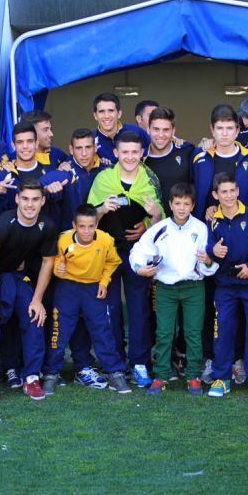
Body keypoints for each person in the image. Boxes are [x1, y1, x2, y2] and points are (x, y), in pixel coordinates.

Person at [87, 131, 163, 388]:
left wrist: (150, 219)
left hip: (137, 253)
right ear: (116, 153)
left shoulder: (148, 181)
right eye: (125, 151)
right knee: (110, 309)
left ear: (142, 153)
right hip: (107, 253)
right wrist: (101, 209)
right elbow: (88, 220)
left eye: (135, 152)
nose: (130, 156)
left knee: (139, 308)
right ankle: (114, 363)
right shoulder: (103, 179)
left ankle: (140, 362)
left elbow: (161, 225)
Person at [130, 183, 217, 395]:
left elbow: (211, 262)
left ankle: (193, 375)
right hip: (165, 288)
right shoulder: (159, 228)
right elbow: (139, 251)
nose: (181, 208)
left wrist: (208, 262)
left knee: (193, 333)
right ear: (169, 204)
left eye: (186, 204)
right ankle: (160, 376)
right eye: (177, 203)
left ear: (193, 205)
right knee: (164, 333)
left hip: (193, 287)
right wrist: (139, 268)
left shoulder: (201, 228)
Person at [0, 180, 58, 402]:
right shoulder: (2, 224)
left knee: (35, 316)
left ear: (42, 201)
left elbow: (48, 263)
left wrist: (38, 300)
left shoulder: (47, 225)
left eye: (35, 199)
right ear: (17, 199)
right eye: (25, 199)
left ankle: (31, 377)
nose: (30, 205)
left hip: (16, 276)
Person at [42, 204, 129, 395]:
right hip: (68, 288)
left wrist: (104, 282)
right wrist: (59, 268)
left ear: (97, 224)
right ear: (74, 225)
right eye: (82, 226)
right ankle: (51, 373)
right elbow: (55, 262)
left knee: (102, 330)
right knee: (60, 331)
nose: (87, 231)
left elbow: (113, 261)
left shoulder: (105, 240)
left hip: (93, 287)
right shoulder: (64, 240)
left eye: (91, 226)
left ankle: (115, 372)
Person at [204, 173, 248, 398]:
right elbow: (208, 248)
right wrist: (213, 252)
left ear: (238, 191)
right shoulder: (212, 221)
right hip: (224, 285)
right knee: (222, 329)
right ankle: (221, 378)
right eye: (224, 192)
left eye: (232, 190)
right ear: (215, 195)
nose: (229, 195)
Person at [191, 104, 248, 220]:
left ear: (237, 130)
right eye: (220, 128)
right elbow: (192, 192)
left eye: (229, 128)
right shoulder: (199, 156)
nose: (224, 134)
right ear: (212, 130)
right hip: (205, 227)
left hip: (242, 227)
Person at [143, 107, 195, 213]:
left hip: (185, 224)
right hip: (154, 225)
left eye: (166, 130)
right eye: (156, 129)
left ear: (173, 131)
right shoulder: (141, 160)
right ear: (148, 129)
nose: (161, 135)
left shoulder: (186, 150)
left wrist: (207, 142)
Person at [91, 92, 150, 165]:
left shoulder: (136, 131)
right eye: (101, 111)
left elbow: (155, 150)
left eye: (111, 111)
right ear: (95, 116)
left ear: (119, 114)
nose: (106, 116)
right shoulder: (90, 140)